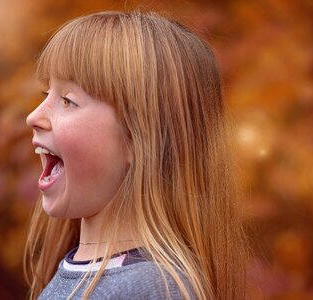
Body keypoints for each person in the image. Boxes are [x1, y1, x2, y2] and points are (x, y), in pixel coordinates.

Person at [24, 11, 246, 300]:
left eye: (68, 101)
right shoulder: (74, 270)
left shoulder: (153, 288)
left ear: (137, 138)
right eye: (46, 94)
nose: (33, 116)